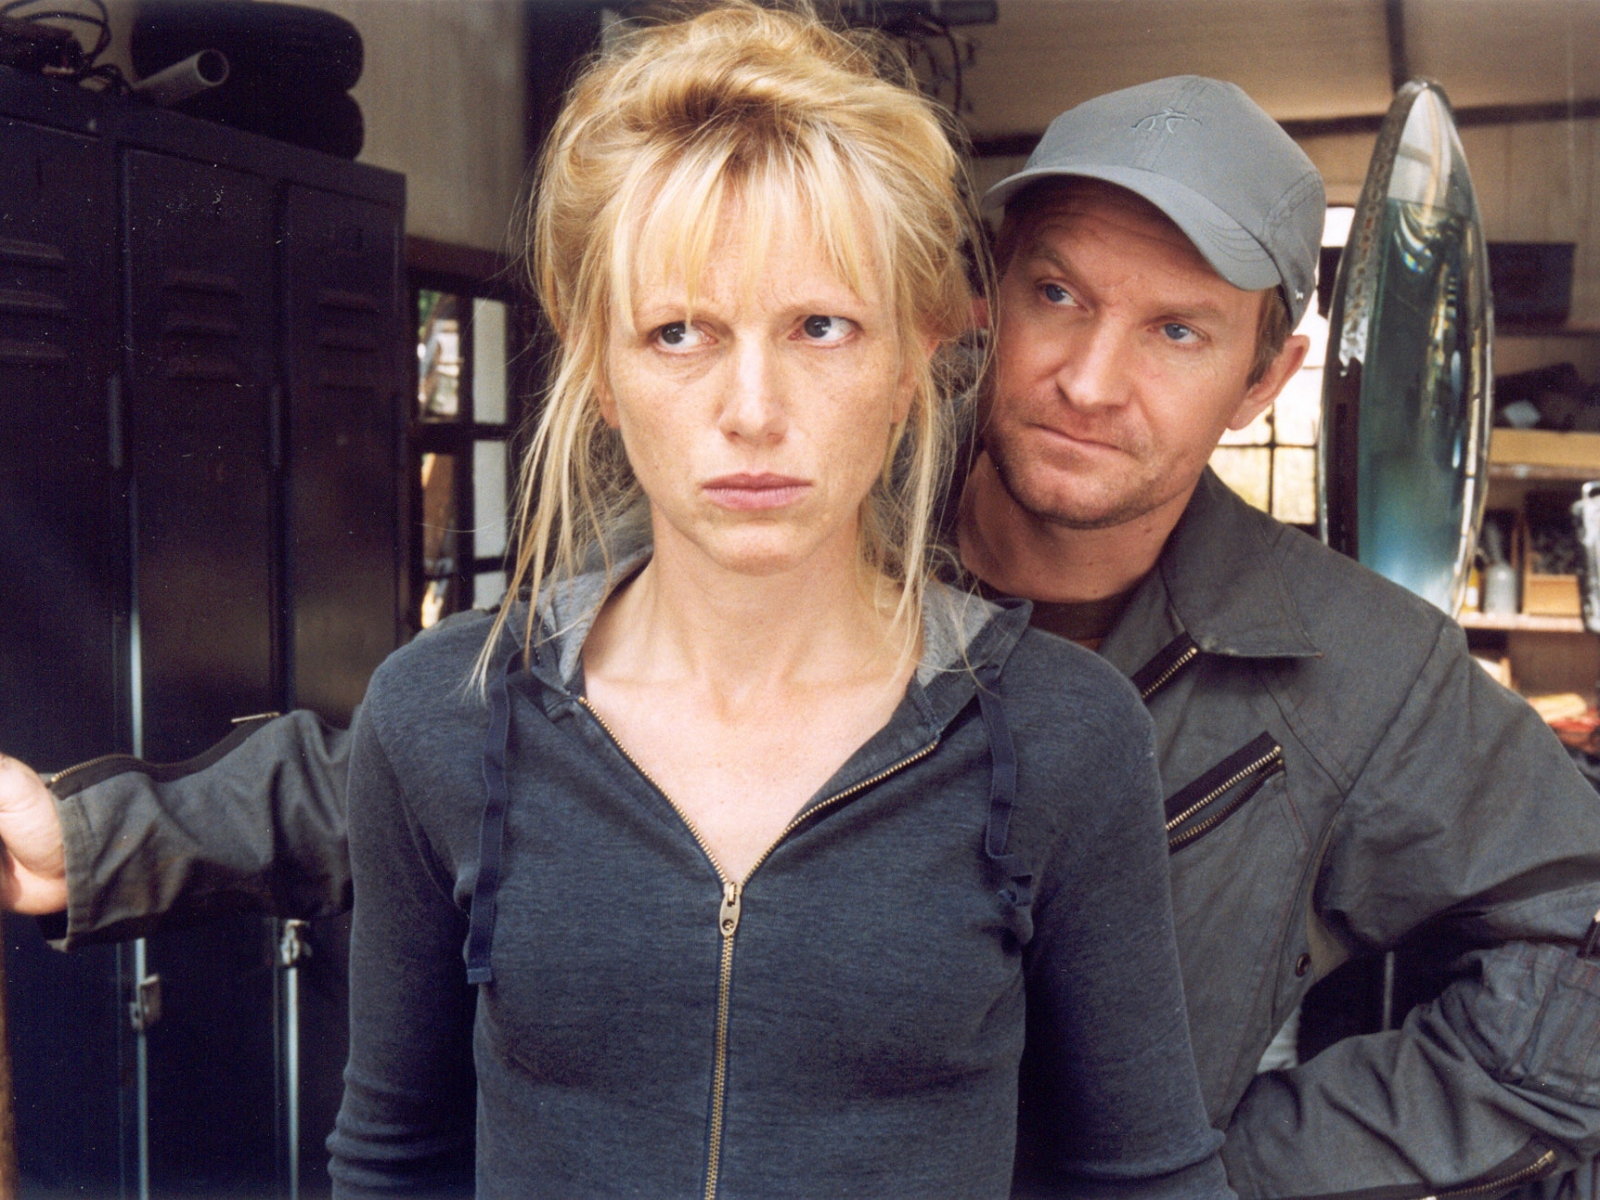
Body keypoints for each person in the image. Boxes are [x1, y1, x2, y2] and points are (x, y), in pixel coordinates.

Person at [2, 54, 1599, 1200]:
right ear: (973, 306)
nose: (1091, 378)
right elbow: (459, 761)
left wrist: (1250, 1160)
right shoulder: (769, 503)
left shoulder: (1357, 671)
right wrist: (105, 834)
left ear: (1265, 377)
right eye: (1057, 296)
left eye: (1178, 331)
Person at [117, 6, 1229, 1198]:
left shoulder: (1062, 736)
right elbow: (396, 1160)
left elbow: (1146, 1178)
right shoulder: (441, 715)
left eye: (820, 326)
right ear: (599, 367)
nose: (751, 410)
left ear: (914, 357)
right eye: (679, 331)